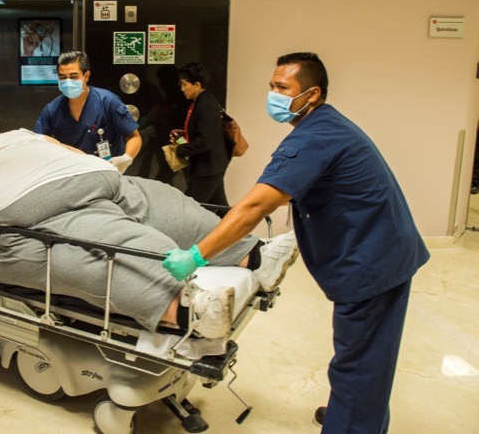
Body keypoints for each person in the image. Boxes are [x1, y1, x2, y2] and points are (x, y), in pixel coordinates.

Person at [0, 95, 299, 341]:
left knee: (169, 202)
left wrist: (107, 168)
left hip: (98, 183)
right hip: (36, 209)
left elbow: (67, 153)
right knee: (106, 243)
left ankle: (253, 258)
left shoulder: (20, 135)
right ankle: (186, 310)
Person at [162, 52, 430, 433]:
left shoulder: (315, 137)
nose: (273, 94)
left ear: (312, 93)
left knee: (360, 362)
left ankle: (352, 420)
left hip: (372, 262)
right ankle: (352, 410)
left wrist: (196, 255)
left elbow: (256, 203)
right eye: (271, 86)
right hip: (380, 249)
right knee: (367, 356)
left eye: (282, 88)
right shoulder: (325, 125)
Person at [34, 50, 142, 173]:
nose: (68, 82)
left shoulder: (108, 102)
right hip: (71, 173)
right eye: (62, 77)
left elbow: (134, 137)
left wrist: (126, 158)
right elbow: (37, 142)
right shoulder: (52, 110)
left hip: (106, 172)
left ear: (86, 76)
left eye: (74, 77)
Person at [168, 62, 233, 207]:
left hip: (208, 168)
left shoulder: (206, 105)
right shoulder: (202, 101)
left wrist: (181, 150)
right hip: (213, 165)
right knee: (220, 207)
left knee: (190, 209)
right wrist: (184, 134)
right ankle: (239, 230)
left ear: (197, 85)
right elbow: (205, 130)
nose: (182, 88)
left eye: (185, 84)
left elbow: (205, 140)